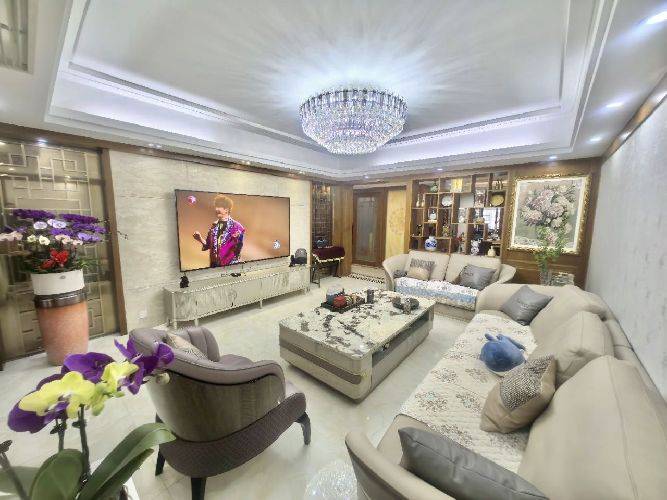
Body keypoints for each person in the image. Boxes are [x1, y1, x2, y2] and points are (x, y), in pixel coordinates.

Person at [193, 194, 245, 267]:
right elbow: (208, 245)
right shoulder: (213, 227)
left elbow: (238, 251)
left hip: (229, 266)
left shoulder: (238, 227)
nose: (216, 209)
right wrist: (199, 238)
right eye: (216, 207)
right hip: (214, 267)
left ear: (226, 209)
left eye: (219, 207)